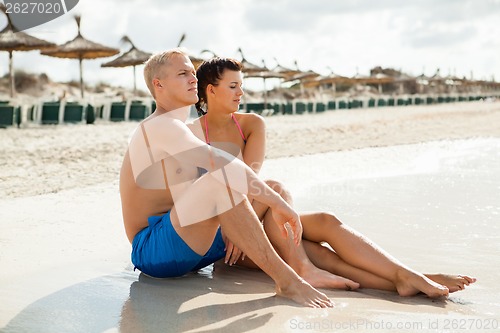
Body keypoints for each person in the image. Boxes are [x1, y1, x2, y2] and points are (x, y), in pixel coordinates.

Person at [190, 56, 476, 296]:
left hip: (256, 209)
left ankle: (407, 275)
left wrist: (246, 219)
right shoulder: (190, 134)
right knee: (322, 254)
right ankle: (408, 277)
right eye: (233, 86)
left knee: (325, 220)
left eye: (242, 85)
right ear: (211, 91)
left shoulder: (251, 124)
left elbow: (250, 180)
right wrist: (235, 228)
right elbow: (195, 197)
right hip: (226, 239)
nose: (241, 93)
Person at [119, 49, 337, 308]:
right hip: (154, 250)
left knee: (274, 188)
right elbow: (223, 166)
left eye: (192, 72)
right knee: (224, 182)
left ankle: (370, 278)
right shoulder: (158, 126)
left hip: (195, 247)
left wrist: (269, 202)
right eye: (182, 74)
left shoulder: (186, 131)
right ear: (159, 84)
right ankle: (288, 280)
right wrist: (280, 205)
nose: (193, 79)